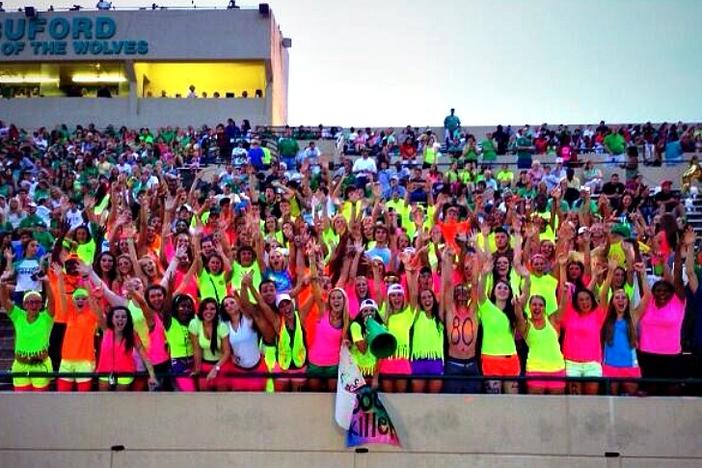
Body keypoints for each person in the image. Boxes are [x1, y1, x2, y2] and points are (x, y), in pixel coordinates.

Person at [0, 267, 57, 391]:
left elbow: (52, 303)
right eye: (30, 302)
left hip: (41, 365)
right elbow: (4, 302)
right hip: (20, 365)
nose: (34, 305)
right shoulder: (18, 316)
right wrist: (3, 285)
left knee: (39, 403)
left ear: (41, 304)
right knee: (21, 402)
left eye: (37, 302)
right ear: (25, 304)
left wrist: (46, 282)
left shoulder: (46, 318)